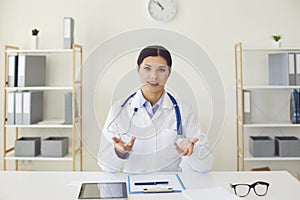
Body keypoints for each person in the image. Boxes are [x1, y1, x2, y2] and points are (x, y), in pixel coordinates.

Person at [97, 45, 213, 173]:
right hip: (134, 186)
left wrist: (192, 151)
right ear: (138, 69)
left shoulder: (184, 110)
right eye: (147, 68)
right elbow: (105, 165)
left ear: (169, 72)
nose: (154, 76)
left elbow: (206, 165)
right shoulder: (118, 110)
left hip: (172, 186)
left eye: (161, 70)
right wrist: (119, 152)